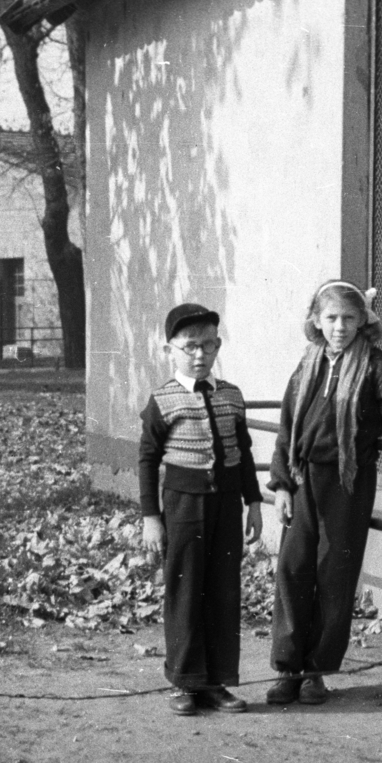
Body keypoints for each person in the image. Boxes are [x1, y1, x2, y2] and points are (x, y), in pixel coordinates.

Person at [265, 281, 382, 706]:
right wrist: (282, 486)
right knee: (293, 568)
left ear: (363, 321)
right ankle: (288, 668)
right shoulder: (307, 365)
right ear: (316, 322)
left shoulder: (376, 364)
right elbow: (288, 430)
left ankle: (315, 672)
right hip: (304, 481)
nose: (339, 327)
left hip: (347, 483)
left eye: (348, 318)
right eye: (331, 318)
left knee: (333, 575)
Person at [138, 303, 264, 716]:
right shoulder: (163, 400)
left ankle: (216, 682)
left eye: (209, 345)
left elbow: (242, 453)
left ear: (218, 346)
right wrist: (151, 518)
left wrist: (254, 503)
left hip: (226, 506)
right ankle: (184, 681)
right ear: (169, 350)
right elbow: (148, 460)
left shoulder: (231, 396)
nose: (200, 355)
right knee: (186, 588)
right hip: (183, 506)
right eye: (190, 346)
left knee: (224, 591)